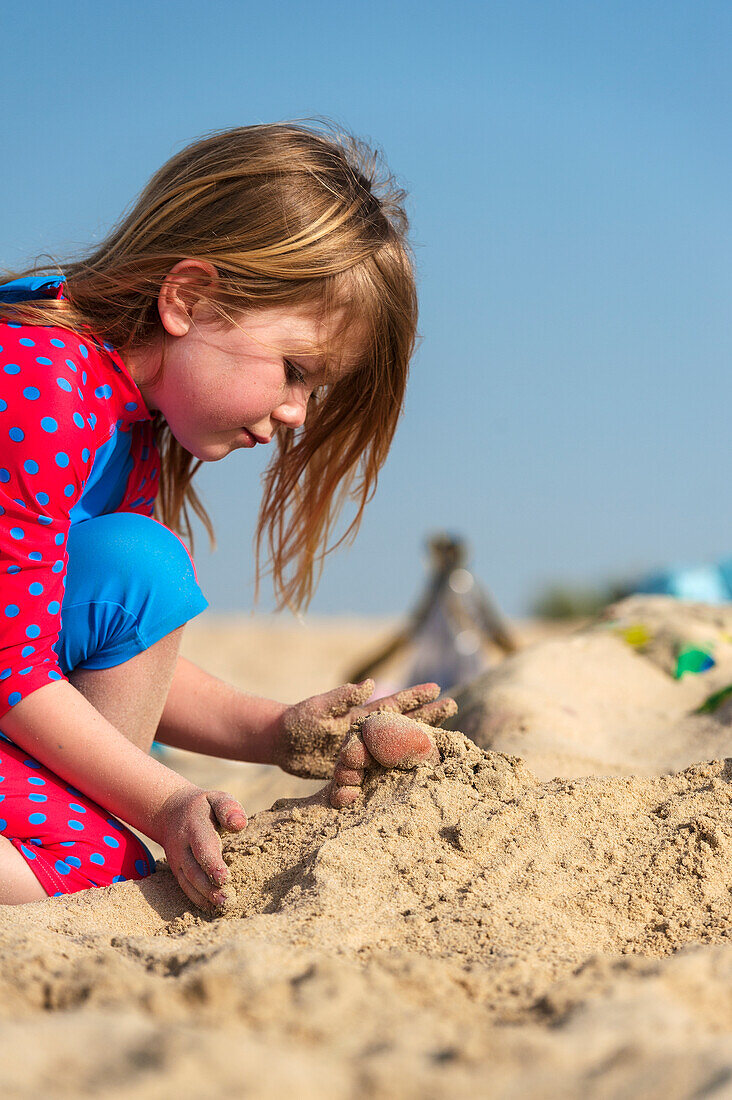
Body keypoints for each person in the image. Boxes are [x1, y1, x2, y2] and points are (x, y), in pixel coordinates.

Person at [0, 123, 456, 912]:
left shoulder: (125, 420)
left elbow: (87, 637)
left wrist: (275, 731)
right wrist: (163, 802)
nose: (296, 415)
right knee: (97, 860)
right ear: (188, 298)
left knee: (138, 570)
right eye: (296, 373)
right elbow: (14, 673)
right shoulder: (36, 385)